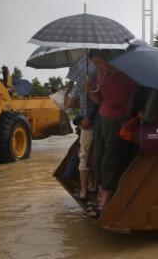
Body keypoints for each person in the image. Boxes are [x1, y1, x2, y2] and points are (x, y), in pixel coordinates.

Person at [84, 50, 137, 217]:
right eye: (95, 64)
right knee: (97, 158)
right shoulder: (101, 75)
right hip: (103, 119)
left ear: (108, 60)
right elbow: (101, 101)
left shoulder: (126, 77)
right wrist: (91, 91)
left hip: (118, 121)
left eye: (99, 62)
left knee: (110, 160)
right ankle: (100, 197)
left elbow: (122, 102)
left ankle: (105, 203)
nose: (97, 67)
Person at [66, 75, 99, 201]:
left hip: (87, 124)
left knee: (84, 155)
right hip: (101, 122)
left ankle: (84, 190)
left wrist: (69, 90)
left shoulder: (81, 83)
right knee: (95, 154)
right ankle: (94, 185)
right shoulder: (101, 79)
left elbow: (69, 104)